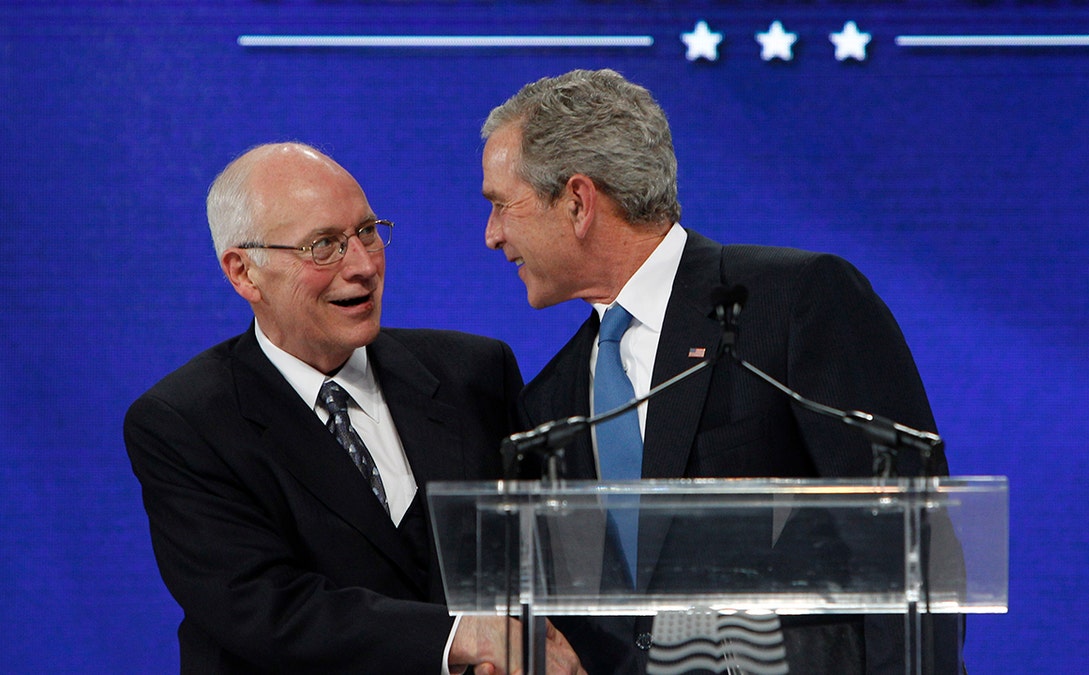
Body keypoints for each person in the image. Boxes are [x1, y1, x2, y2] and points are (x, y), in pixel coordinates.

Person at [480, 69, 963, 673]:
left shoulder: (795, 302)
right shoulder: (551, 403)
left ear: (578, 201)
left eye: (501, 205)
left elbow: (910, 535)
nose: (492, 235)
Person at [125, 142, 584, 674]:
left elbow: (543, 559)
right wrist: (459, 638)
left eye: (367, 232)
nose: (364, 266)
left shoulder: (473, 373)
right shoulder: (185, 422)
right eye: (324, 246)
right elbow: (264, 606)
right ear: (244, 273)